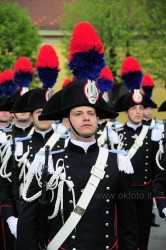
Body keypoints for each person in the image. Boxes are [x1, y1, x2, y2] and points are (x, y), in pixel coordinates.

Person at [17, 79, 138, 250]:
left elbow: (128, 222)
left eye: (90, 112)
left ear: (98, 119)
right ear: (66, 122)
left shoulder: (117, 161)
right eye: (78, 113)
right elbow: (28, 221)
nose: (86, 117)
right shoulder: (47, 162)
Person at [0, 88, 61, 250]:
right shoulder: (17, 146)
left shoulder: (64, 144)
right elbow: (5, 186)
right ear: (31, 116)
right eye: (38, 112)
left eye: (46, 112)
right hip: (24, 216)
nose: (42, 116)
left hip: (56, 218)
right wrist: (10, 218)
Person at [113, 56, 162, 250]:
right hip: (125, 190)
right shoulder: (117, 134)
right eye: (134, 108)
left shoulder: (153, 134)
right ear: (127, 112)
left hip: (144, 189)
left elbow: (158, 166)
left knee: (143, 230)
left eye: (141, 107)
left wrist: (158, 196)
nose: (138, 112)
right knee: (125, 229)